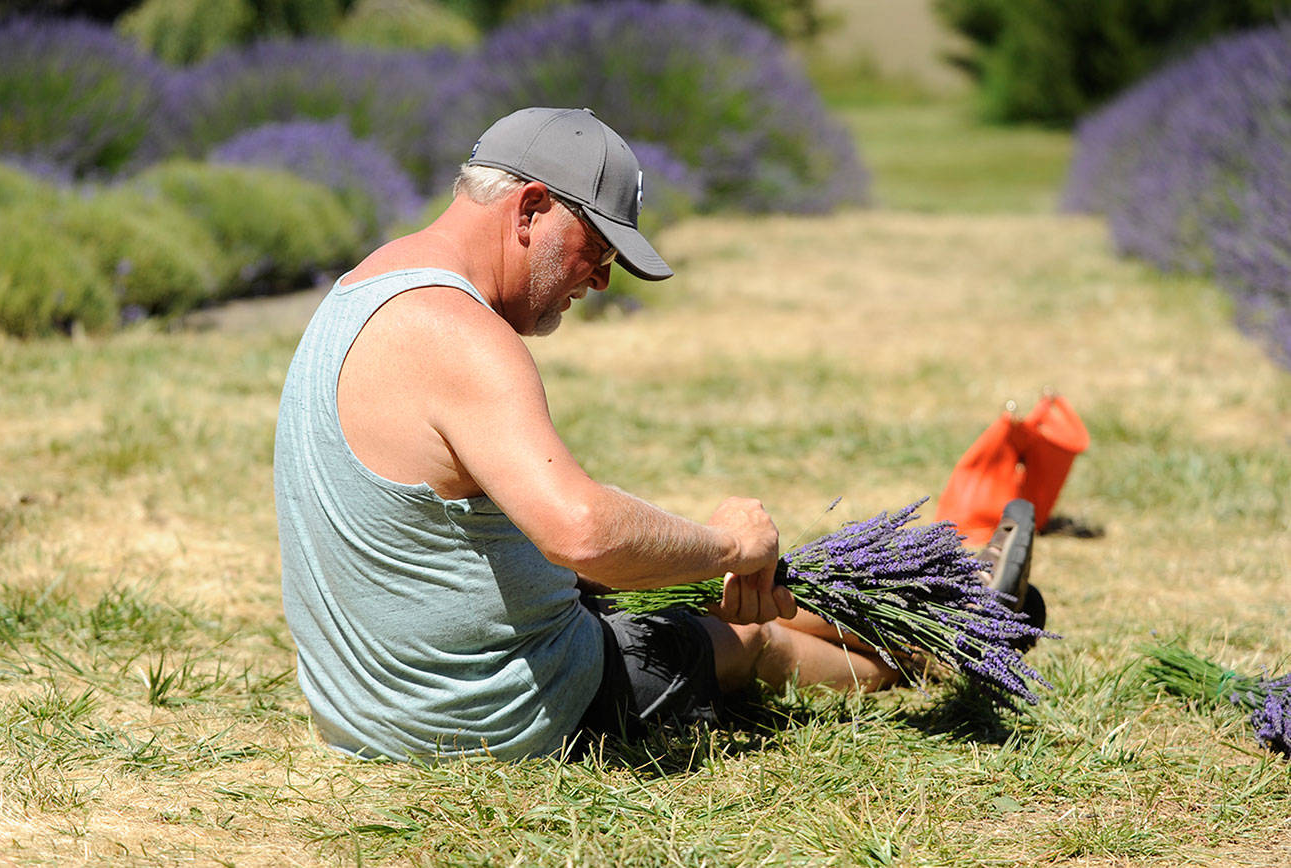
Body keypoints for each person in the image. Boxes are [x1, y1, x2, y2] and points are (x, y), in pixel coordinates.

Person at [273, 107, 1035, 762]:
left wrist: (702, 553)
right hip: (480, 719)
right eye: (597, 249)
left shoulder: (364, 289)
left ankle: (935, 611)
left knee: (688, 579)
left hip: (365, 709)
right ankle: (927, 657)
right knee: (740, 641)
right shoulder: (461, 335)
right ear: (531, 207)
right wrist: (732, 546)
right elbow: (584, 535)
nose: (602, 279)